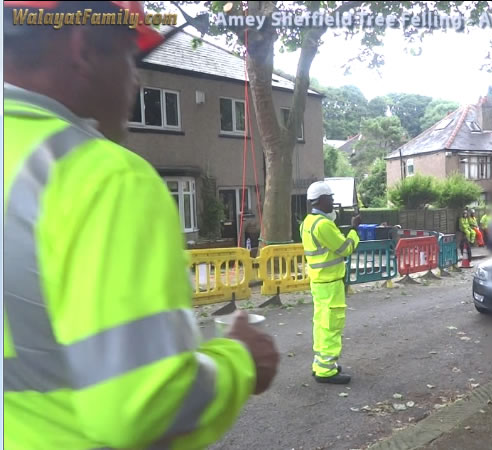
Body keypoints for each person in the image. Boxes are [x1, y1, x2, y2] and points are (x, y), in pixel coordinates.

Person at [3, 2, 279, 448]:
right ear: (83, 46)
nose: (136, 80)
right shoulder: (101, 177)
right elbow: (146, 405)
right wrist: (240, 359)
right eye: (130, 58)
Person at [301, 181, 361, 384]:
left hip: (319, 283)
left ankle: (321, 364)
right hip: (330, 283)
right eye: (331, 199)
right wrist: (354, 229)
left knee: (321, 325)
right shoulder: (324, 224)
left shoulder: (308, 223)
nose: (334, 202)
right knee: (331, 326)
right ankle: (326, 371)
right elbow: (345, 248)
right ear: (321, 200)